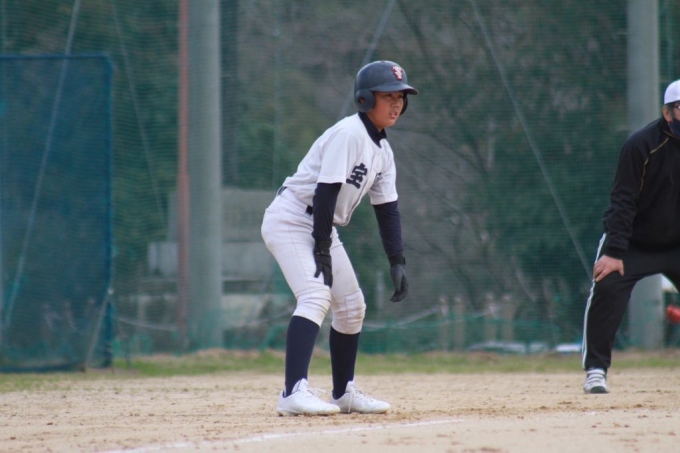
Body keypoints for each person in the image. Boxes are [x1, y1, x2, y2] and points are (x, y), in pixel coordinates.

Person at [261, 60, 417, 415]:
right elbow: (325, 192)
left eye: (401, 97)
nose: (396, 103)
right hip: (291, 219)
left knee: (351, 306)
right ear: (365, 99)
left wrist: (397, 261)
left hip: (320, 224)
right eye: (388, 96)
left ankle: (343, 392)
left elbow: (387, 210)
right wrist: (322, 248)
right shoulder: (349, 134)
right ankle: (292, 392)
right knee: (315, 295)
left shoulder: (383, 152)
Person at [581, 79, 680, 394]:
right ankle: (596, 370)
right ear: (668, 112)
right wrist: (613, 251)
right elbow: (623, 200)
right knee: (607, 285)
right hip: (633, 243)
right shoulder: (641, 144)